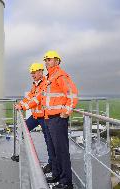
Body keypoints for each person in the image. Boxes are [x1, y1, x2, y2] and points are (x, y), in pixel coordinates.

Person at [42, 50, 78, 189]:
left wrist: (66, 112)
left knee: (61, 151)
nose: (47, 62)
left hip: (58, 119)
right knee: (54, 150)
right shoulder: (49, 78)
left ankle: (66, 182)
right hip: (49, 119)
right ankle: (56, 175)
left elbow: (72, 94)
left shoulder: (61, 76)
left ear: (57, 61)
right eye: (45, 60)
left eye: (49, 59)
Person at [15, 62, 52, 173]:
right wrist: (20, 103)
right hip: (36, 116)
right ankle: (23, 154)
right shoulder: (35, 84)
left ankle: (51, 164)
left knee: (49, 140)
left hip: (45, 117)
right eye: (31, 73)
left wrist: (23, 106)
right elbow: (30, 97)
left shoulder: (45, 83)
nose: (32, 75)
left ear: (41, 72)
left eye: (34, 72)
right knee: (23, 130)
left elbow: (37, 99)